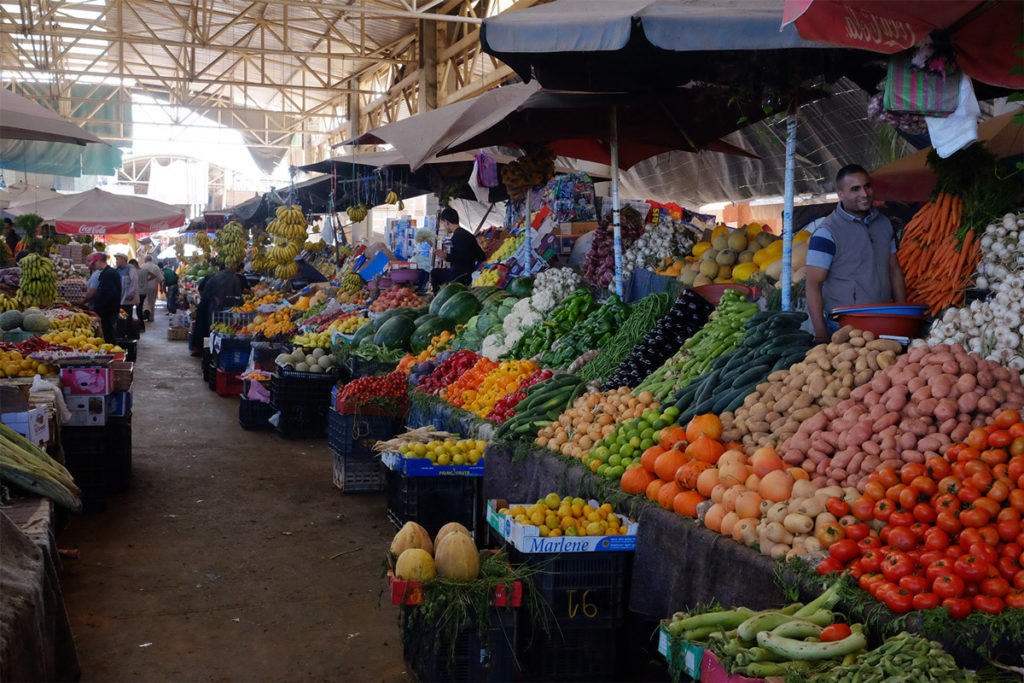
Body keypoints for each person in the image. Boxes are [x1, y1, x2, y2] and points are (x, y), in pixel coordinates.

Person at [805, 164, 907, 342]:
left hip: (883, 320)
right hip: (844, 326)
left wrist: (902, 312)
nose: (864, 193)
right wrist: (821, 334)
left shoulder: (883, 223)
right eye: (855, 189)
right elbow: (813, 284)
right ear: (840, 194)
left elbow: (894, 269)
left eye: (867, 186)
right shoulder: (826, 233)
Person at [430, 207, 485, 293]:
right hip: (469, 273)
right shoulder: (468, 234)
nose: (444, 227)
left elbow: (463, 257)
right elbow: (481, 256)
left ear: (447, 222)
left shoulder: (457, 236)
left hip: (461, 276)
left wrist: (446, 256)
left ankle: (438, 299)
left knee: (434, 273)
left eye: (443, 223)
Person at [83, 253, 121, 343]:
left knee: (109, 335)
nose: (93, 265)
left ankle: (112, 353)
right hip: (106, 311)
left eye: (94, 263)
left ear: (99, 261)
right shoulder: (105, 273)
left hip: (108, 312)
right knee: (106, 334)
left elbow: (108, 294)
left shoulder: (109, 273)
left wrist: (99, 309)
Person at [116, 254, 143, 333]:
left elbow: (134, 282)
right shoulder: (118, 270)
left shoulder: (130, 269)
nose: (116, 261)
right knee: (122, 316)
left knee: (125, 316)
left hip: (127, 299)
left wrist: (131, 294)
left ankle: (127, 333)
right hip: (121, 299)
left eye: (118, 259)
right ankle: (124, 331)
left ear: (123, 259)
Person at [139, 255, 163, 321]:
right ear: (151, 260)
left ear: (145, 260)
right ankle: (151, 318)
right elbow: (161, 279)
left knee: (145, 301)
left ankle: (146, 311)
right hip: (153, 287)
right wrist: (161, 288)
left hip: (144, 287)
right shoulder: (156, 267)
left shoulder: (142, 266)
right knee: (152, 302)